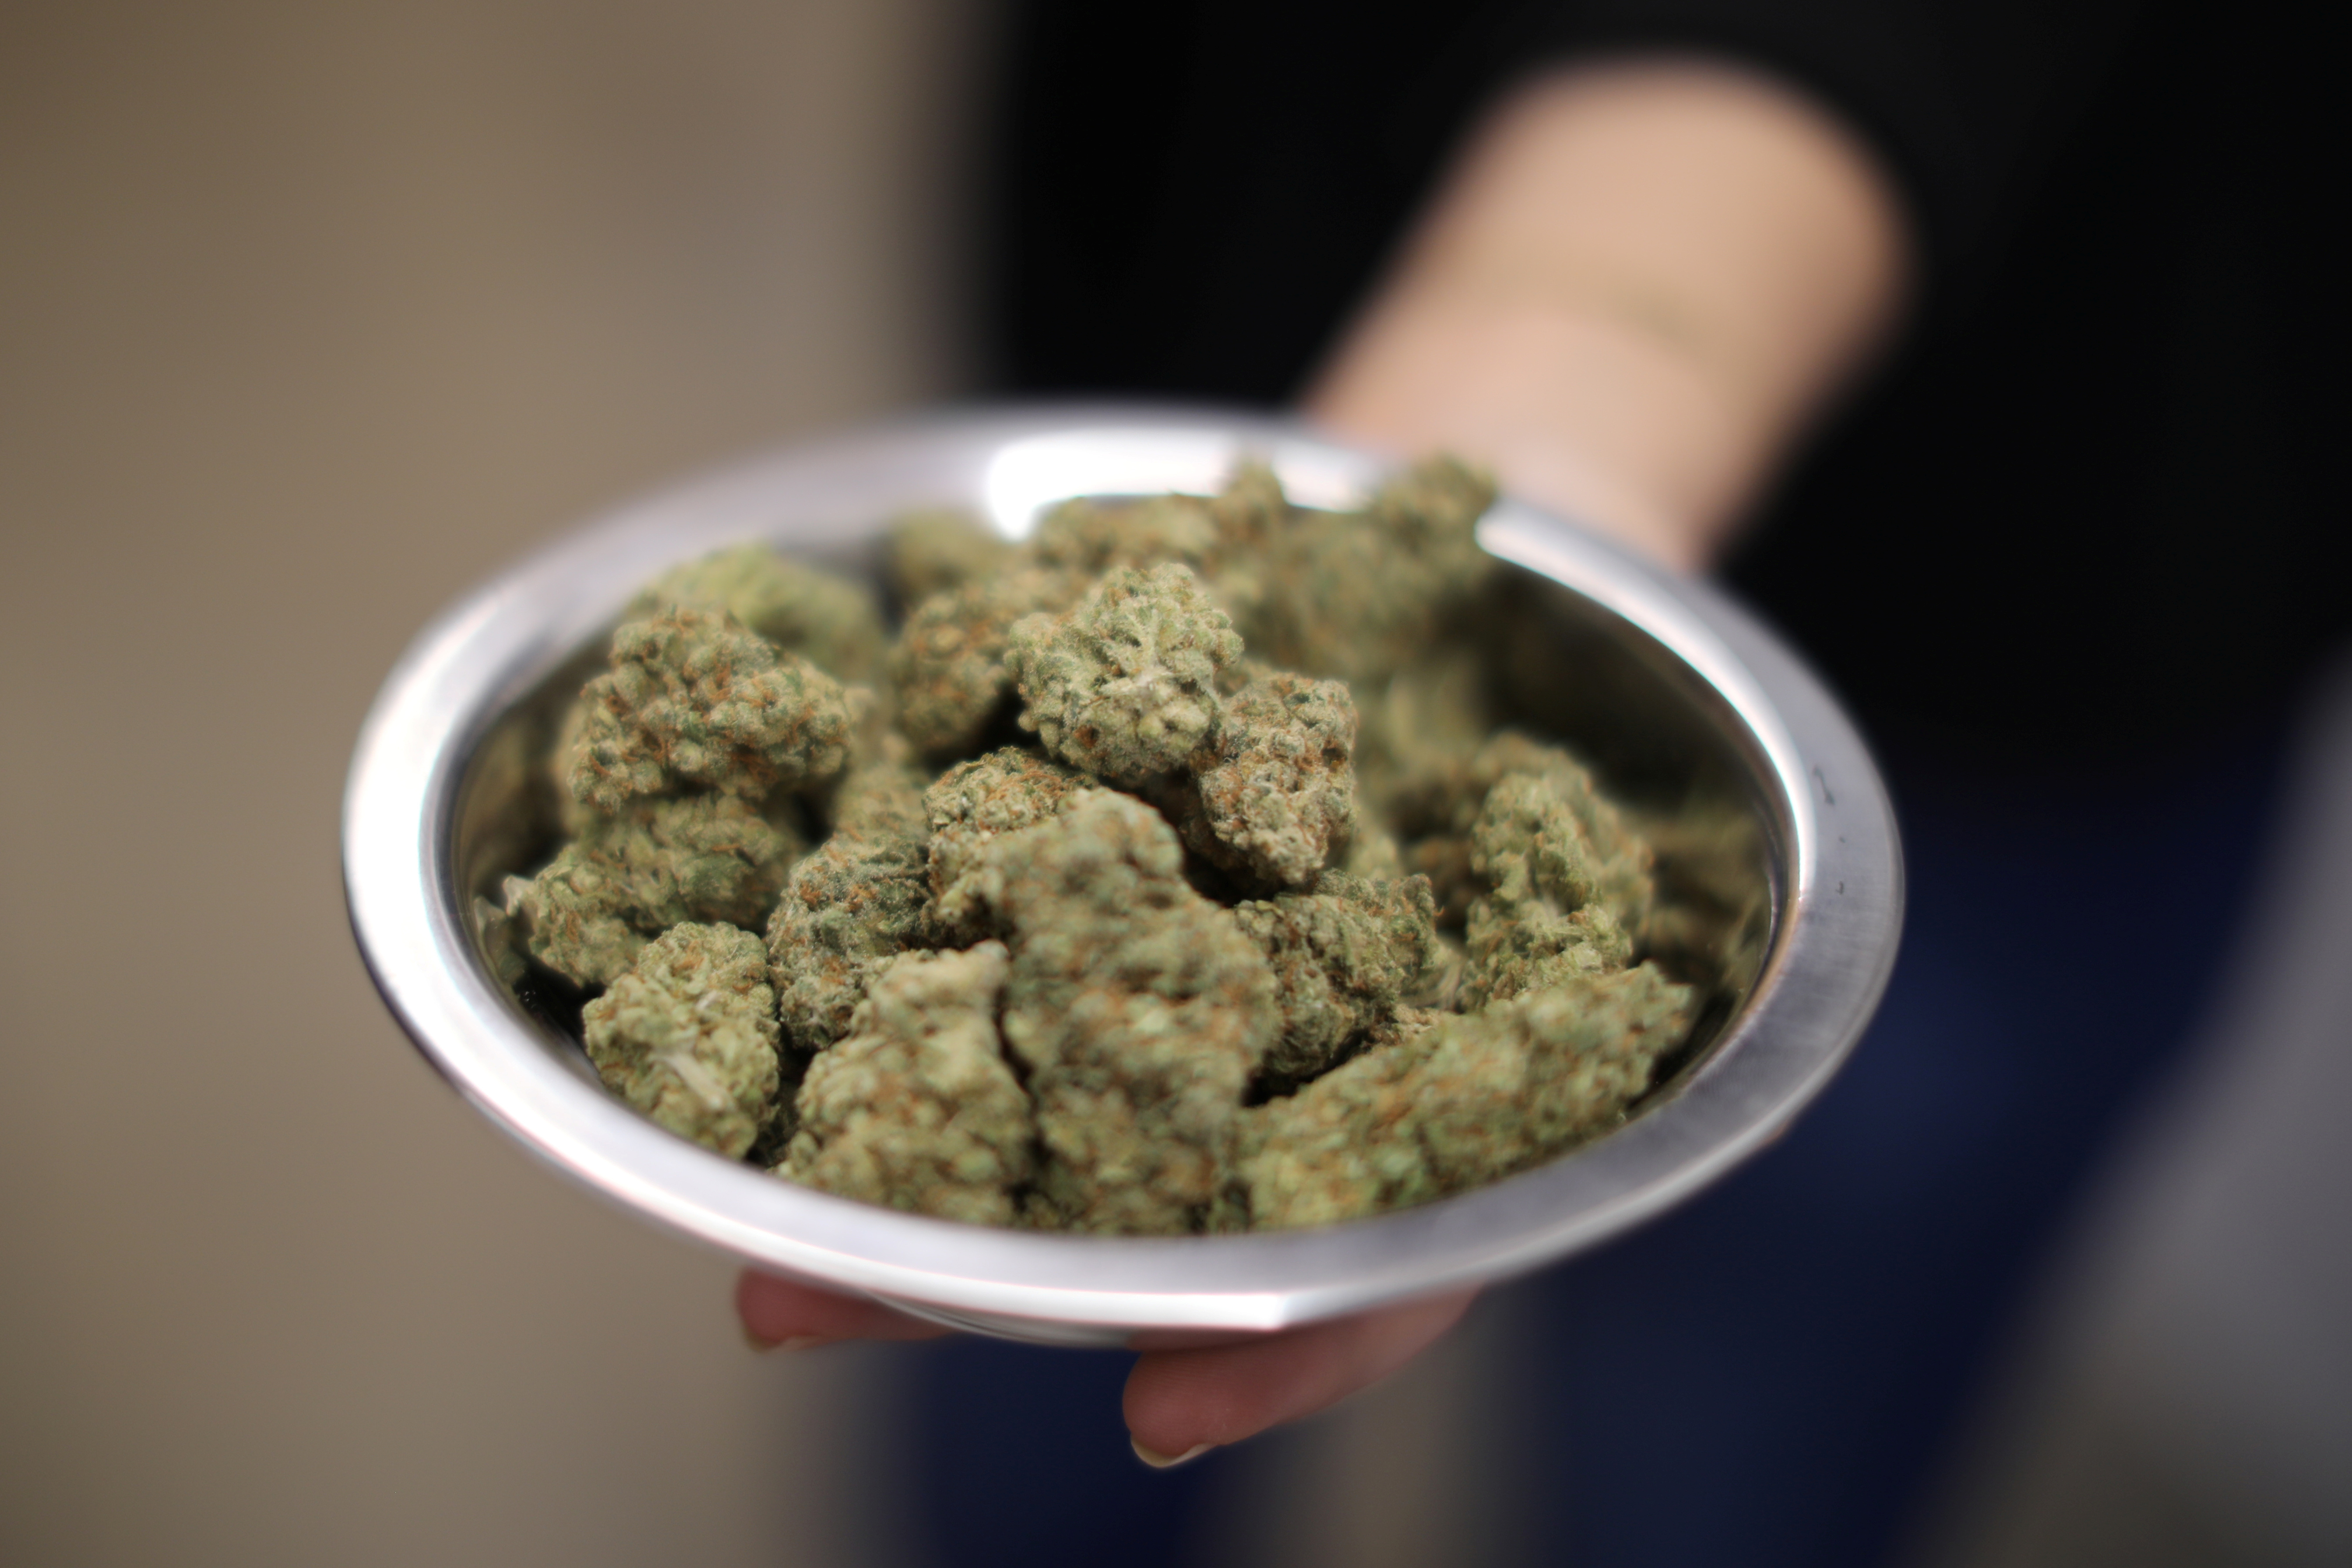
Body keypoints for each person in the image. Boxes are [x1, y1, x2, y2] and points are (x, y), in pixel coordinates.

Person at [740, 4, 2344, 1561]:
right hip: (1234, 230)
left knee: (1720, 1471)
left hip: (2012, 603)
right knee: (1031, 1388)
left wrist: (1598, 336)